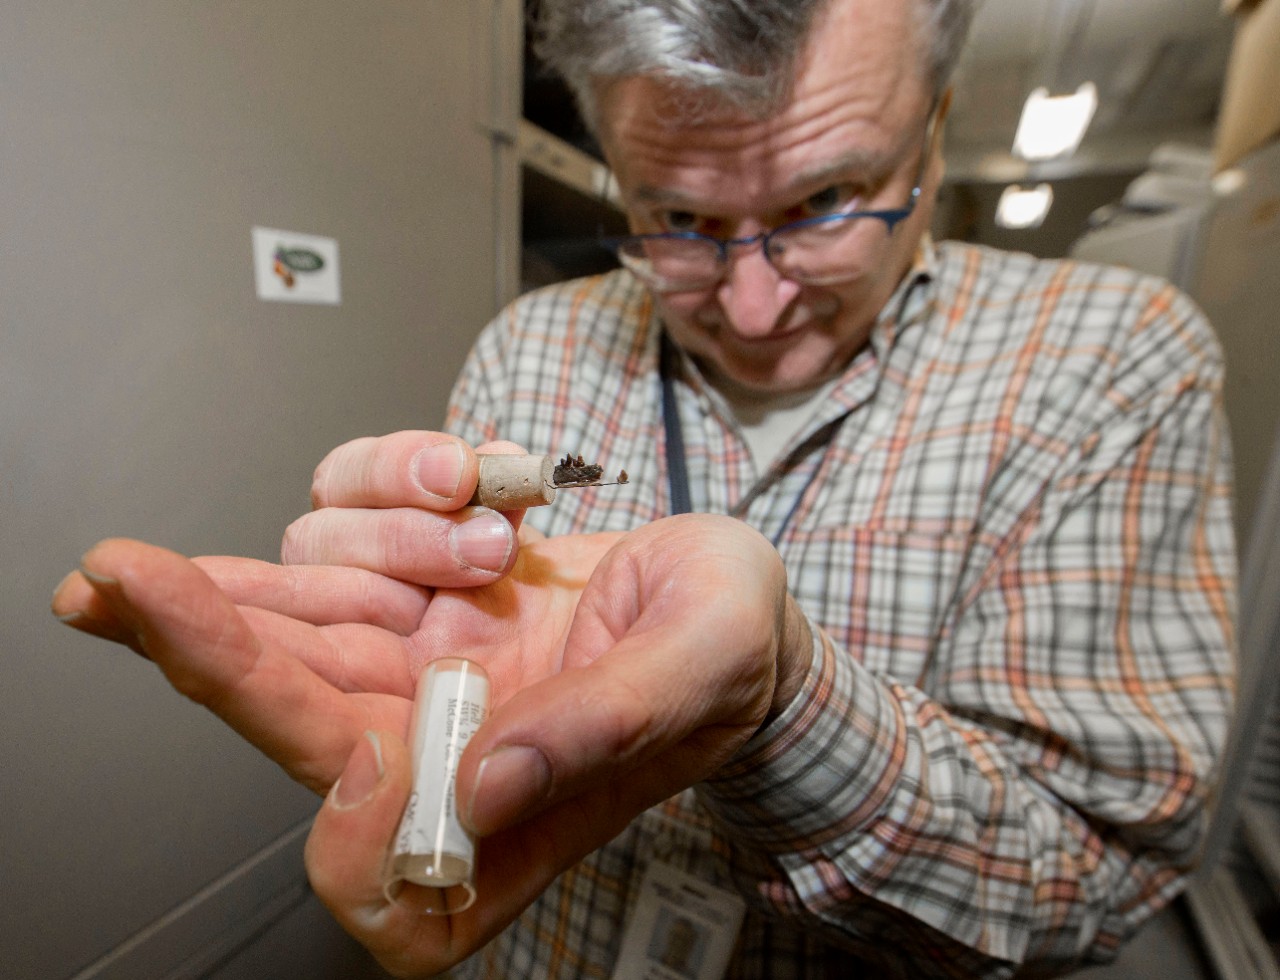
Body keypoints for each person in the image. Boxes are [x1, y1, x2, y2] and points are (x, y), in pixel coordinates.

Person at [52, 0, 1238, 976]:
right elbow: (452, 666)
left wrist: (775, 700)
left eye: (825, 202)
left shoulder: (1113, 362)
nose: (755, 308)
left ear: (933, 125)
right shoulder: (532, 347)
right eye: (677, 219)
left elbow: (1096, 878)